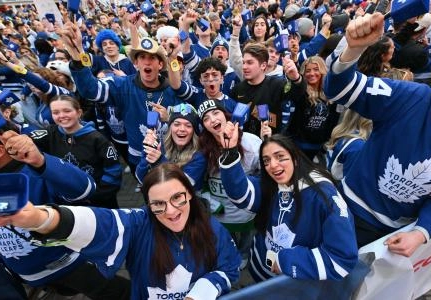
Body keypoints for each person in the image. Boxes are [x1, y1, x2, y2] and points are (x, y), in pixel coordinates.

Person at [323, 12, 431, 257]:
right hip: (338, 204)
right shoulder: (414, 96)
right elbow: (340, 90)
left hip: (381, 235)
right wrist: (353, 50)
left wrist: (421, 232)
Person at [0, 163, 241, 300]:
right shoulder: (139, 224)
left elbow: (228, 268)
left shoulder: (212, 229)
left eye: (178, 198)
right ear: (147, 205)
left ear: (190, 195)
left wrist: (199, 294)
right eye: (158, 204)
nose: (171, 211)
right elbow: (101, 223)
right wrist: (41, 219)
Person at [0, 119, 130, 299]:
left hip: (70, 265)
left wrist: (40, 160)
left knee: (121, 293)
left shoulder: (35, 173)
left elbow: (85, 188)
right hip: (25, 274)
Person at [218, 127, 358, 282]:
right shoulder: (271, 184)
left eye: (280, 157)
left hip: (293, 283)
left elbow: (341, 258)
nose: (273, 165)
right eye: (266, 160)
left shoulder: (324, 196)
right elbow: (241, 194)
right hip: (259, 270)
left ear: (295, 159)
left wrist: (286, 261)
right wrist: (230, 152)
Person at [59, 21, 183, 174]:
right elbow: (90, 90)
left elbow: (187, 117)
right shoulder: (121, 85)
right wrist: (76, 55)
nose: (147, 61)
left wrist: (169, 117)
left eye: (152, 58)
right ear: (136, 63)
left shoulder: (174, 88)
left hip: (170, 156)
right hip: (138, 158)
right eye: (142, 57)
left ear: (160, 64)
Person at [197, 99, 261, 269]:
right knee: (227, 238)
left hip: (246, 212)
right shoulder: (202, 150)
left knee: (246, 237)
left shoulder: (251, 143)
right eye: (206, 118)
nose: (213, 119)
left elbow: (264, 176)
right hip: (219, 211)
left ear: (226, 115)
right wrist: (209, 201)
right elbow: (198, 183)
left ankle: (245, 253)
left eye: (216, 113)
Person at [30, 95, 122, 208]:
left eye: (67, 111)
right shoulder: (50, 133)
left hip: (97, 203)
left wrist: (95, 195)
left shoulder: (98, 140)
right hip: (65, 204)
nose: (61, 116)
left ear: (79, 113)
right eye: (56, 112)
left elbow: (114, 172)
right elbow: (25, 140)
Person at [136, 103, 207, 191]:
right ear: (170, 128)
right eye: (176, 124)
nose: (181, 129)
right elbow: (141, 179)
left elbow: (182, 186)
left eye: (188, 125)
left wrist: (159, 161)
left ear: (194, 131)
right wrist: (147, 151)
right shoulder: (160, 145)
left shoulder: (199, 156)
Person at [285, 55, 341, 162]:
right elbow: (296, 89)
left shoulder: (331, 94)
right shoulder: (301, 92)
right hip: (297, 146)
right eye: (308, 71)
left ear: (323, 71)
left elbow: (334, 119)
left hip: (319, 147)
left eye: (316, 69)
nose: (312, 73)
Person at [325, 109, 372, 181]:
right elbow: (350, 176)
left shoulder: (340, 130)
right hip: (338, 182)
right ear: (367, 121)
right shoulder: (358, 145)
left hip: (328, 171)